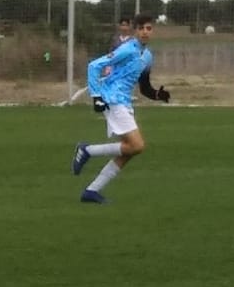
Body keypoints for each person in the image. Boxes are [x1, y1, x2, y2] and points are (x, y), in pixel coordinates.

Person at [70, 13, 170, 204]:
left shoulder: (147, 56)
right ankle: (87, 150)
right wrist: (96, 97)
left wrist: (158, 95)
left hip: (124, 101)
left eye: (148, 28)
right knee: (137, 145)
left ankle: (92, 191)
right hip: (113, 99)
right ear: (135, 31)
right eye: (141, 28)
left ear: (152, 31)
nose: (145, 32)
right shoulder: (127, 49)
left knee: (129, 151)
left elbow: (144, 87)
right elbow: (94, 66)